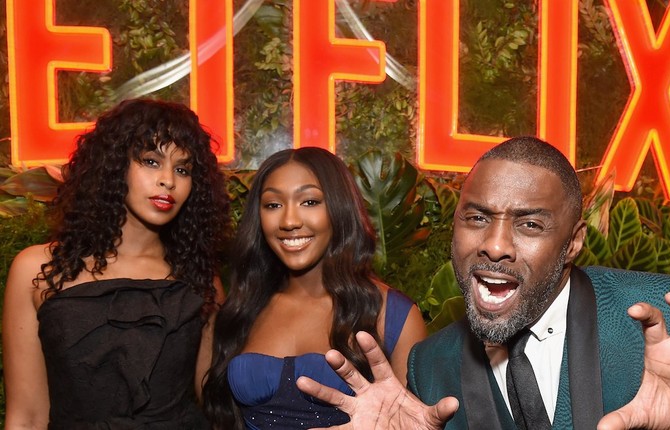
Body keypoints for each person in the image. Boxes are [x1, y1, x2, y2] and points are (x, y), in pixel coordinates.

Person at [297, 136, 670, 429]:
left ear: (573, 243)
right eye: (476, 217)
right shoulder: (430, 364)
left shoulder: (661, 315)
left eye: (530, 224)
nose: (494, 244)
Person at [2, 98, 231, 429]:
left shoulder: (199, 278)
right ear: (112, 166)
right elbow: (26, 418)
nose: (169, 179)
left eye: (182, 169)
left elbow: (217, 410)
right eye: (151, 161)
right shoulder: (37, 269)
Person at [201, 147, 427, 429]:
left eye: (309, 202)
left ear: (339, 208)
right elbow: (213, 415)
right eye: (273, 205)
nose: (289, 221)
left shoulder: (393, 315)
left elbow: (411, 422)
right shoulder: (240, 308)